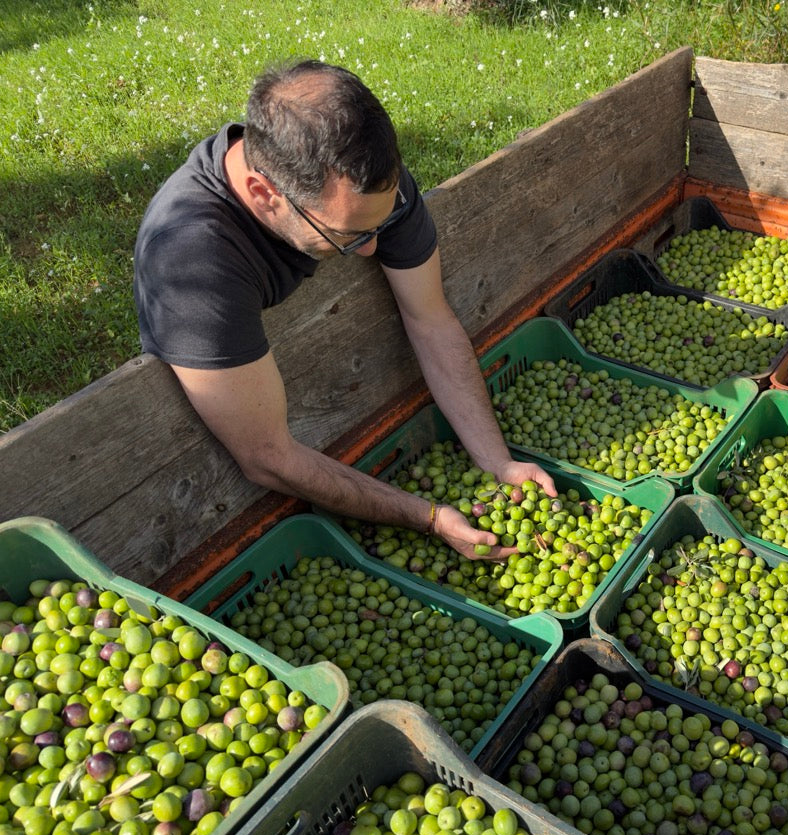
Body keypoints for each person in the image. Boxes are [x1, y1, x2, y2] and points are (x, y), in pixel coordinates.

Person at [133, 59, 553, 559]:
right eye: (351, 237)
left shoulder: (362, 184)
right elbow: (267, 456)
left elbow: (430, 318)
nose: (374, 252)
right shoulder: (192, 262)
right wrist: (429, 517)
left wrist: (496, 461)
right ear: (264, 196)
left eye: (381, 223)